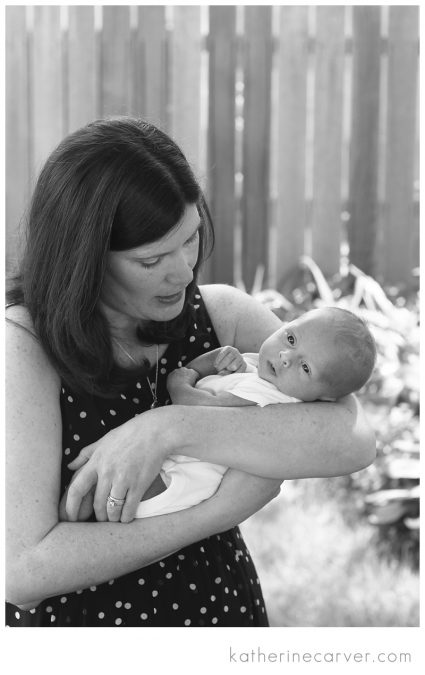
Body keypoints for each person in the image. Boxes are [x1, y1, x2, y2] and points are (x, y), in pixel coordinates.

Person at [6, 117, 376, 627]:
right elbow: (21, 569)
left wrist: (167, 427)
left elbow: (355, 440)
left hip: (222, 614)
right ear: (84, 258)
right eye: (151, 259)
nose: (183, 272)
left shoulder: (221, 315)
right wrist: (213, 515)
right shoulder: (22, 348)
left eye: (190, 238)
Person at [92, 306, 374, 519]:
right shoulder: (260, 371)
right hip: (172, 460)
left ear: (324, 397)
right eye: (290, 338)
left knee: (105, 490)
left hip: (177, 477)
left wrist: (178, 382)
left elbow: (197, 409)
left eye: (305, 367)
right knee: (102, 480)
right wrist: (218, 358)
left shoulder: (268, 397)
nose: (286, 357)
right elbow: (206, 372)